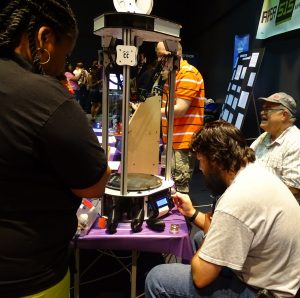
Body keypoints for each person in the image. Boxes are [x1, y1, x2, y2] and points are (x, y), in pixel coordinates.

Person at [0, 1, 111, 297]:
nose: (63, 67)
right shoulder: (44, 96)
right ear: (44, 38)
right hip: (29, 276)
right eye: (65, 55)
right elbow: (95, 184)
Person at [145, 120, 300, 298]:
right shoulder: (255, 172)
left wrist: (209, 236)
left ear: (216, 161)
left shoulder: (237, 199)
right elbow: (228, 226)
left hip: (265, 293)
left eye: (201, 161)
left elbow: (200, 278)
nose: (201, 169)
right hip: (281, 279)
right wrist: (192, 213)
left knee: (157, 278)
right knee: (197, 237)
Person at [157, 41, 205, 193]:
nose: (160, 60)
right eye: (158, 56)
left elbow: (180, 109)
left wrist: (151, 111)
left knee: (180, 187)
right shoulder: (174, 74)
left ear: (175, 54)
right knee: (172, 185)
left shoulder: (188, 73)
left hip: (183, 142)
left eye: (162, 56)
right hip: (173, 139)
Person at [251, 92, 300, 204]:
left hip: (278, 212)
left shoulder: (296, 142)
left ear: (284, 115)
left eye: (268, 109)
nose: (262, 112)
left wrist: (255, 195)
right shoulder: (264, 137)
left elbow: (293, 188)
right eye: (262, 108)